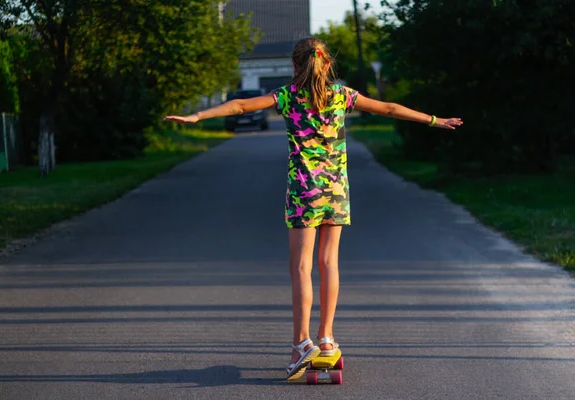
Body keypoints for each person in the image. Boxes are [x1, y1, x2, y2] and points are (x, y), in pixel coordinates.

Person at [164, 37, 463, 381]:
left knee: (302, 266)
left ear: (295, 65)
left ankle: (301, 343)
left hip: (303, 190)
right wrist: (434, 120)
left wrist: (199, 115)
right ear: (327, 63)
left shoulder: (287, 96)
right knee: (328, 263)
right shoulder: (342, 95)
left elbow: (241, 106)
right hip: (335, 190)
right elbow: (391, 109)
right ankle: (326, 338)